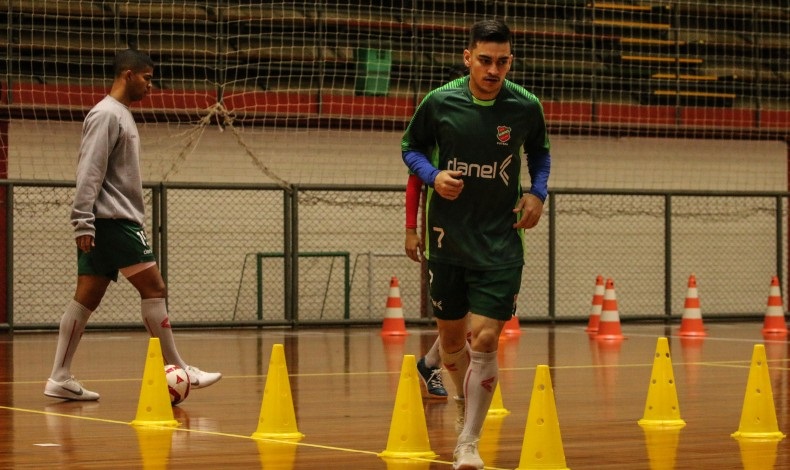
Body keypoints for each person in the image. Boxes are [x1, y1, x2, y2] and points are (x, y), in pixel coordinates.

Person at [401, 19, 551, 470]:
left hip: (501, 240)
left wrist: (537, 192)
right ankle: (460, 393)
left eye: (502, 62)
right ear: (468, 57)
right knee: (451, 344)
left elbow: (540, 152)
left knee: (485, 338)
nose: (493, 70)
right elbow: (410, 149)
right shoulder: (439, 101)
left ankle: (468, 442)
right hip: (447, 239)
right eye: (485, 60)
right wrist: (433, 176)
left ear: (511, 61)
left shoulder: (525, 106)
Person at [43, 49, 222, 401]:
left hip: (106, 222)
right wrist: (82, 222)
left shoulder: (120, 114)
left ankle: (59, 377)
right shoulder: (107, 115)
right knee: (154, 287)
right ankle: (178, 367)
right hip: (114, 221)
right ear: (128, 75)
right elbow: (89, 170)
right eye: (147, 78)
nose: (151, 86)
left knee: (86, 298)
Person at [405, 173, 448, 400]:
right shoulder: (431, 155)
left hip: (482, 240)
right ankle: (431, 363)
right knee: (460, 318)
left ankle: (431, 362)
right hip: (444, 244)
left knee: (481, 316)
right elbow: (414, 182)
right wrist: (410, 230)